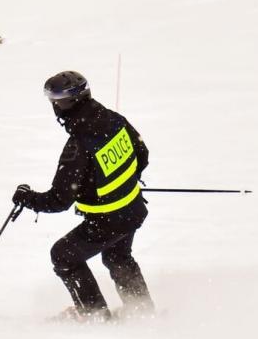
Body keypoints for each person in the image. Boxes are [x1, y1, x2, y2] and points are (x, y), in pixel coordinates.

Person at [12, 71, 154, 321]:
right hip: (132, 209)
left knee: (63, 255)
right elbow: (141, 152)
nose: (53, 106)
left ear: (66, 104)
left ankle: (95, 316)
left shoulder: (78, 145)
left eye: (54, 101)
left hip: (108, 219)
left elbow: (59, 200)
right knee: (117, 255)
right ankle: (142, 310)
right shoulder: (113, 119)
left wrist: (28, 198)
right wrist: (119, 183)